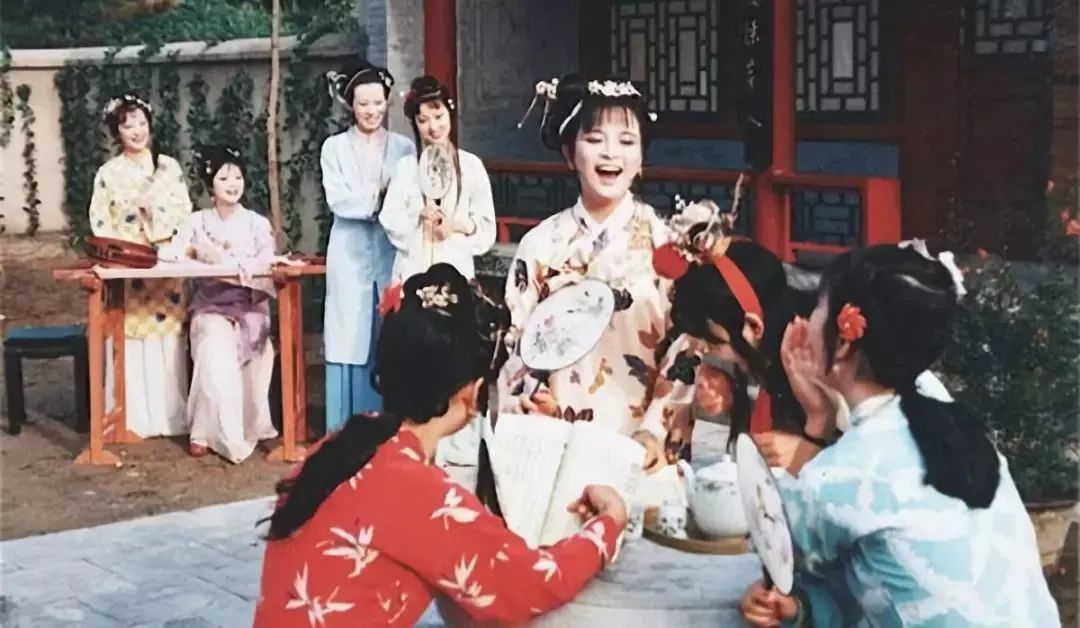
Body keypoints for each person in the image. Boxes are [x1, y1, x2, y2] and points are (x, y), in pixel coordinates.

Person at [253, 264, 626, 626]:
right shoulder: (417, 492)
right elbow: (534, 583)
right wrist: (609, 522)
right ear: (473, 393)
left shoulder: (341, 445)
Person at [740, 242, 1059, 627]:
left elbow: (777, 552)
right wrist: (803, 609)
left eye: (816, 311)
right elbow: (890, 573)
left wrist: (816, 422)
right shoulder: (959, 431)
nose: (806, 325)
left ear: (844, 340)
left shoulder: (845, 471)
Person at [497, 74, 695, 472]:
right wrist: (531, 399)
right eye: (594, 139)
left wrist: (654, 431)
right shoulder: (540, 245)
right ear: (570, 153)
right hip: (554, 436)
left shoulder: (669, 246)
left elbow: (686, 350)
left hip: (642, 446)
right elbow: (515, 344)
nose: (611, 153)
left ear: (641, 157)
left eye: (626, 141)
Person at [157, 145, 278, 462]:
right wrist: (195, 251)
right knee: (214, 352)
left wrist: (235, 264)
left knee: (261, 354)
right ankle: (204, 432)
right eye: (223, 178)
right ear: (210, 185)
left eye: (237, 177)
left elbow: (267, 261)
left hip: (249, 307)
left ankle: (252, 426)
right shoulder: (196, 222)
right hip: (211, 306)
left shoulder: (256, 223)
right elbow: (170, 253)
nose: (232, 184)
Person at [663, 224, 823, 461]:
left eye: (715, 343)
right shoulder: (769, 347)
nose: (708, 351)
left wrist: (807, 450)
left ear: (754, 326)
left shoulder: (826, 357)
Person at [88, 92, 192, 438]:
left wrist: (155, 213)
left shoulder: (169, 168)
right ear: (116, 132)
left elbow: (184, 213)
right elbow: (100, 220)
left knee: (167, 337)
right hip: (127, 266)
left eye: (142, 123)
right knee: (129, 333)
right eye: (128, 126)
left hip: (165, 263)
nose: (137, 131)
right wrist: (120, 253)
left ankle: (169, 416)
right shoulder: (108, 173)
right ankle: (129, 417)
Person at [320, 63, 416, 432]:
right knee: (349, 334)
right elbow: (338, 199)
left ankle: (386, 428)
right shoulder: (334, 148)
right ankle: (344, 429)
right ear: (351, 105)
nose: (371, 111)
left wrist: (393, 204)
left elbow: (409, 198)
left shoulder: (404, 148)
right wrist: (380, 196)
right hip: (349, 250)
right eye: (363, 104)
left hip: (390, 249)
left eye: (378, 102)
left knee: (388, 330)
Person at [379, 75, 496, 283]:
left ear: (450, 114)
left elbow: (486, 226)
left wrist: (456, 226)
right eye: (423, 120)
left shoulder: (471, 166)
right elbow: (390, 217)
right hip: (412, 267)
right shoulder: (405, 167)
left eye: (439, 116)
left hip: (457, 264)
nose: (433, 127)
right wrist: (419, 218)